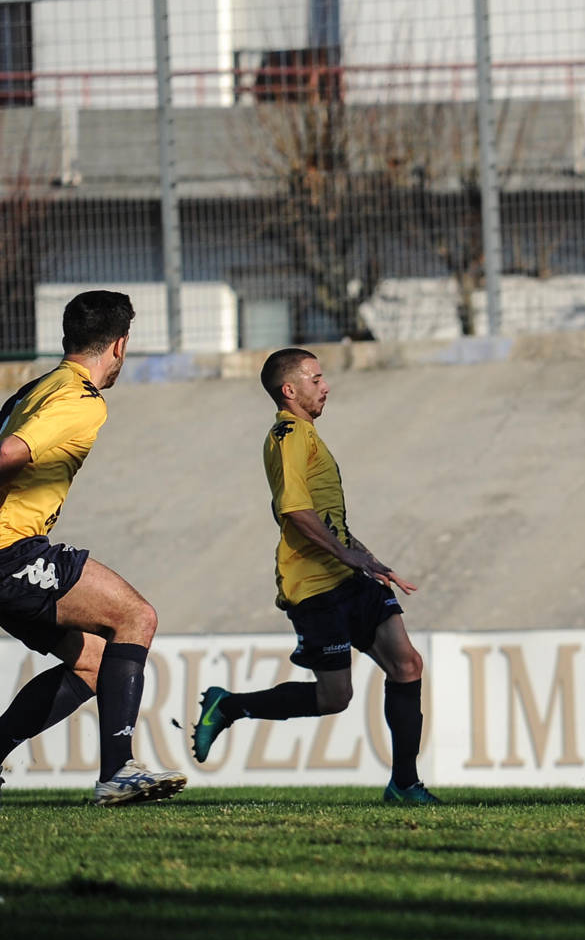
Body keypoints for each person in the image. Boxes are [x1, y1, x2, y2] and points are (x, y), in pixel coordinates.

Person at [188, 348, 439, 804]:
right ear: (290, 389)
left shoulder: (307, 434)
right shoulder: (287, 434)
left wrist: (366, 558)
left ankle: (405, 783)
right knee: (333, 698)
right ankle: (229, 706)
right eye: (316, 378)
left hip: (347, 574)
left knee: (407, 665)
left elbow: (325, 517)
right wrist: (345, 553)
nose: (325, 386)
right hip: (314, 584)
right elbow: (295, 510)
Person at [0, 291, 186, 806]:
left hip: (12, 552)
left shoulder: (34, 388)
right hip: (10, 553)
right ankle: (118, 771)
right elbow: (8, 454)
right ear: (120, 345)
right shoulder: (80, 400)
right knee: (137, 617)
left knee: (92, 660)